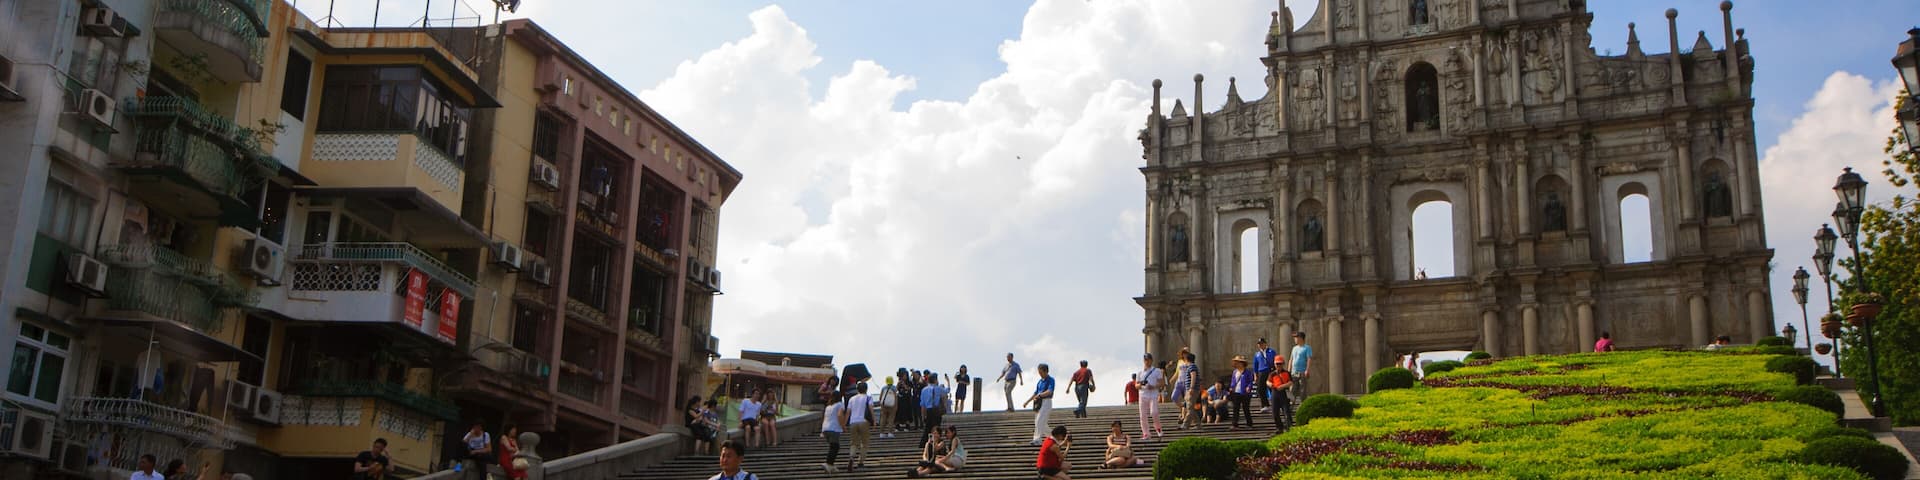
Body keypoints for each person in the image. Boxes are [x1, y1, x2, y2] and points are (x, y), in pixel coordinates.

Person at [1024, 363, 1057, 445]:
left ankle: (1037, 439)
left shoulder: (1051, 380)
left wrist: (1040, 395)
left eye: (1041, 372)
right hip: (1039, 403)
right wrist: (1027, 401)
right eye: (1039, 372)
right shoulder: (1040, 381)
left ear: (1046, 371)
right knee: (1040, 423)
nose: (1040, 374)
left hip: (1046, 402)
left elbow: (1050, 391)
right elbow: (1035, 392)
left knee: (1039, 421)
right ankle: (1054, 438)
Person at [1135, 353, 1165, 440]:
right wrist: (1141, 384)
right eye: (1145, 360)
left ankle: (1158, 428)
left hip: (1153, 394)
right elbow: (1136, 385)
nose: (1147, 362)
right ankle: (1146, 433)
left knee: (1154, 412)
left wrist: (1154, 386)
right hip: (1142, 394)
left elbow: (1162, 383)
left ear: (1151, 360)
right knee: (1143, 415)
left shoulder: (1157, 371)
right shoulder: (1140, 372)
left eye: (1148, 360)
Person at [844, 382, 873, 471]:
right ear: (866, 389)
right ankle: (860, 462)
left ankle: (851, 457)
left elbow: (848, 412)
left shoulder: (852, 399)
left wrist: (844, 424)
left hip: (853, 422)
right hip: (864, 422)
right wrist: (874, 420)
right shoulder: (868, 397)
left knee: (853, 443)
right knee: (864, 443)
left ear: (857, 389)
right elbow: (871, 409)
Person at [819, 391, 846, 473]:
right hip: (833, 428)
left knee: (833, 446)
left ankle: (831, 465)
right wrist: (843, 426)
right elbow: (840, 415)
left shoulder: (828, 406)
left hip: (825, 428)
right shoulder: (840, 404)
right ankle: (828, 463)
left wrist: (822, 430)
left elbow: (824, 417)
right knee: (835, 447)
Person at [1227, 356, 1256, 429]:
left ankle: (1249, 424)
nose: (1236, 364)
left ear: (1242, 363)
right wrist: (1231, 387)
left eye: (1238, 362)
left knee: (1246, 408)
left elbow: (1250, 381)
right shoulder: (1235, 372)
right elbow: (1233, 381)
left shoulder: (1248, 372)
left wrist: (1248, 387)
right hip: (1236, 392)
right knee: (1235, 408)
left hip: (1245, 393)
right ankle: (1235, 424)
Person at [918, 374, 946, 449]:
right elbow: (945, 396)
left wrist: (923, 416)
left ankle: (923, 445)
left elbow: (923, 405)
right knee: (937, 428)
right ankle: (936, 444)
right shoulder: (940, 389)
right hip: (937, 410)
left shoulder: (924, 390)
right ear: (936, 380)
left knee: (927, 429)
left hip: (929, 410)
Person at [1268, 362, 1295, 433]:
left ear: (1283, 364)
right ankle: (1279, 427)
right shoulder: (1272, 374)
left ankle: (1289, 426)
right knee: (1275, 412)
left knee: (1286, 411)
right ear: (1274, 365)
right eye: (1277, 364)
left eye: (1280, 364)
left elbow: (1291, 382)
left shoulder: (1286, 373)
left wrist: (1283, 386)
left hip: (1283, 392)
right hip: (1275, 392)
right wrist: (1270, 384)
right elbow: (1268, 381)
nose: (1278, 365)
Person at [1175, 351, 1199, 429]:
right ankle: (1198, 424)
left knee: (1189, 408)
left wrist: (1191, 388)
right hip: (1189, 390)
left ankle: (1185, 424)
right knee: (1191, 408)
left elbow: (1193, 376)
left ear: (1187, 360)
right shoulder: (1192, 366)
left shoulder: (1192, 366)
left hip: (1191, 390)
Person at [1252, 338, 1278, 413]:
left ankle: (1276, 404)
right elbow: (1255, 365)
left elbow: (1275, 361)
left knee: (1272, 388)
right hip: (1261, 372)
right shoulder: (1257, 354)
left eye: (1262, 343)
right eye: (1259, 344)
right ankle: (1265, 405)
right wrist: (1255, 375)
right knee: (1261, 389)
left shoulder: (1271, 351)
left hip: (1270, 371)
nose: (1260, 345)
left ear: (1265, 344)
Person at [1289, 332, 1313, 402]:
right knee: (1293, 388)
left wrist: (1307, 370)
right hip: (1294, 371)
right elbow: (1291, 359)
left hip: (1302, 371)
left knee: (1303, 389)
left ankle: (1303, 403)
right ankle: (1291, 403)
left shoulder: (1307, 348)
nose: (1295, 339)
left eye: (1296, 338)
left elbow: (1309, 359)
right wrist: (1288, 370)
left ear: (1300, 338)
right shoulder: (1294, 348)